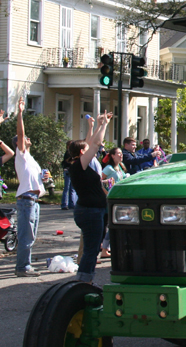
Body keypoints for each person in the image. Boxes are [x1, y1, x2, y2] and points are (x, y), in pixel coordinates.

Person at [69, 113, 112, 283]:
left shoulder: (81, 165)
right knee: (91, 250)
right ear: (81, 153)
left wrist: (98, 125)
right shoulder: (78, 166)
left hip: (92, 210)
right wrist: (105, 125)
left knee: (91, 248)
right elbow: (95, 144)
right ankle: (84, 281)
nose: (91, 152)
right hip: (89, 211)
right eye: (86, 150)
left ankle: (85, 279)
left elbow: (91, 142)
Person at [13, 96, 47, 277]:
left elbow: (35, 178)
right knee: (26, 236)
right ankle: (22, 267)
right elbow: (20, 134)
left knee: (31, 236)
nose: (28, 138)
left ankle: (25, 265)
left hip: (34, 200)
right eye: (26, 138)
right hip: (26, 200)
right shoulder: (21, 154)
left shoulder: (30, 159)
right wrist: (20, 113)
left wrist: (44, 178)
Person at [60, 141, 75, 210]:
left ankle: (71, 204)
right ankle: (64, 204)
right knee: (67, 188)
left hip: (70, 171)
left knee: (71, 188)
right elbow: (69, 162)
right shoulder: (68, 153)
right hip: (68, 171)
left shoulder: (71, 153)